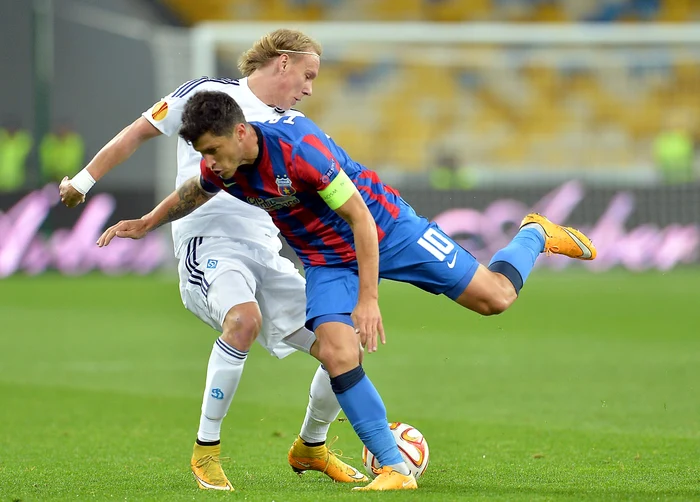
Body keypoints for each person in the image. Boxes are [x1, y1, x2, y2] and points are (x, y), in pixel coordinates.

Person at [96, 91, 597, 491]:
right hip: (325, 259)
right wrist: (146, 222)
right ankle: (394, 466)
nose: (210, 162)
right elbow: (191, 193)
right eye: (202, 153)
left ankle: (534, 233)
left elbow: (358, 215)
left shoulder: (299, 151)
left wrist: (369, 298)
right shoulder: (220, 169)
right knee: (338, 351)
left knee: (495, 298)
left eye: (212, 150)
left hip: (388, 228)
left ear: (241, 132)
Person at [58, 29, 368, 491]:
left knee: (343, 345)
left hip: (266, 245)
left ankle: (311, 446)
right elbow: (138, 132)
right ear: (282, 62)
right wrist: (83, 180)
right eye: (307, 75)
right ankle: (206, 452)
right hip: (207, 240)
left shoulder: (293, 128)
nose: (308, 89)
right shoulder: (209, 98)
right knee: (243, 320)